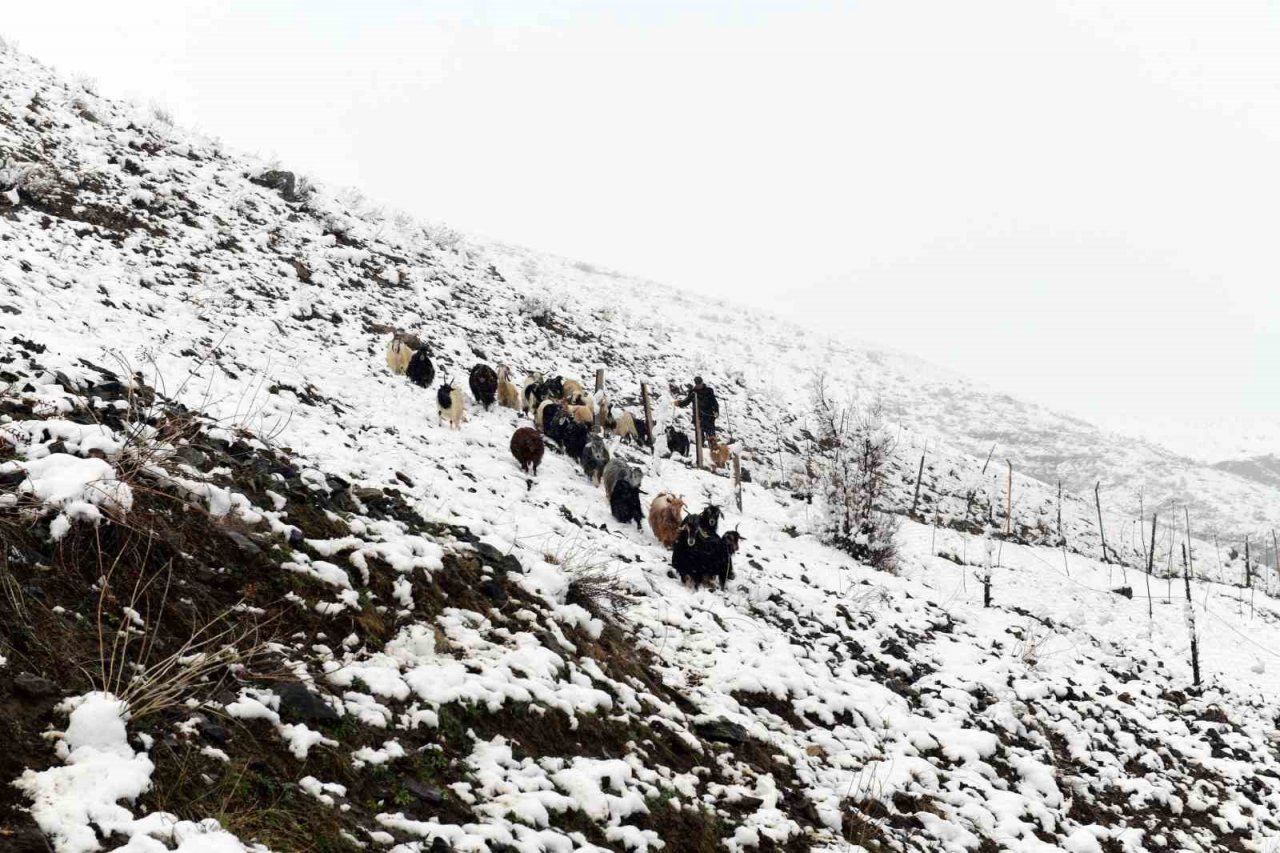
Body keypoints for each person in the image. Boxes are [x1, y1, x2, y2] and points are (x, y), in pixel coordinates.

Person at [673, 376, 719, 447]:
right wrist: (679, 403)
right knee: (699, 436)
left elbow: (714, 402)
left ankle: (714, 451)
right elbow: (686, 401)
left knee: (711, 435)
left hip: (709, 417)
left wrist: (716, 411)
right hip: (698, 417)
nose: (698, 385)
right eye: (697, 384)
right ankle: (701, 451)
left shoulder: (709, 391)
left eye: (699, 384)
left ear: (702, 383)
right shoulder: (693, 393)